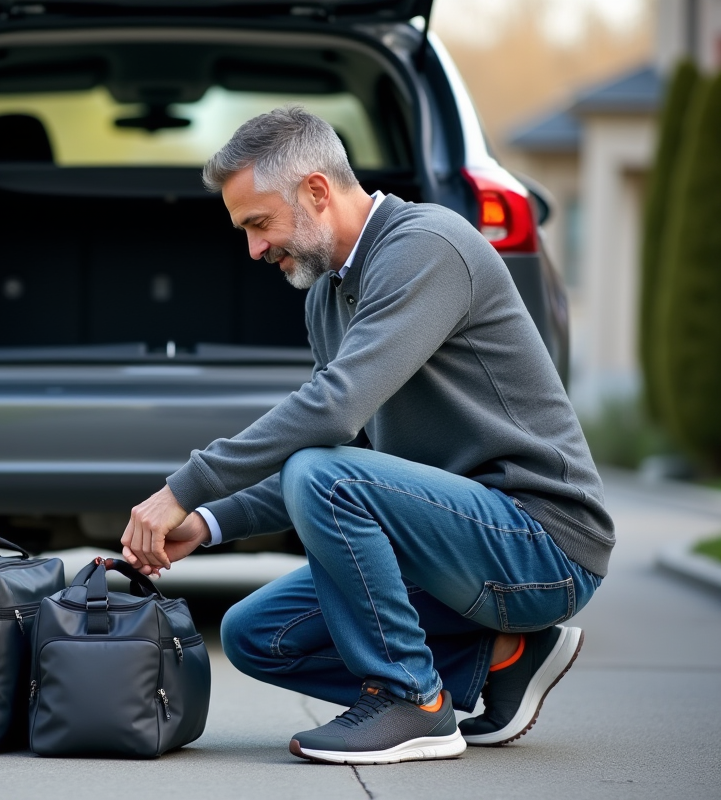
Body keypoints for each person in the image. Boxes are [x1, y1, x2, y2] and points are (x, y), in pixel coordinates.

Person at [119, 107, 613, 766]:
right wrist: (207, 523)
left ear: (316, 191)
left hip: (542, 544)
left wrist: (184, 489)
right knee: (254, 635)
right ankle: (503, 658)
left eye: (259, 223)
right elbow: (348, 453)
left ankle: (412, 700)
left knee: (319, 473)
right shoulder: (326, 298)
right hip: (454, 545)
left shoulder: (427, 246)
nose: (254, 249)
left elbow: (332, 416)